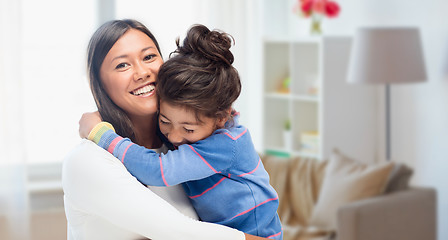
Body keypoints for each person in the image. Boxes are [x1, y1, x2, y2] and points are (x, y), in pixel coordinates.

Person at [62, 19, 271, 240]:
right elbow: (179, 232)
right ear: (98, 83)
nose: (141, 72)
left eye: (149, 57)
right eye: (122, 64)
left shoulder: (181, 145)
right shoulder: (87, 160)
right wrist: (100, 134)